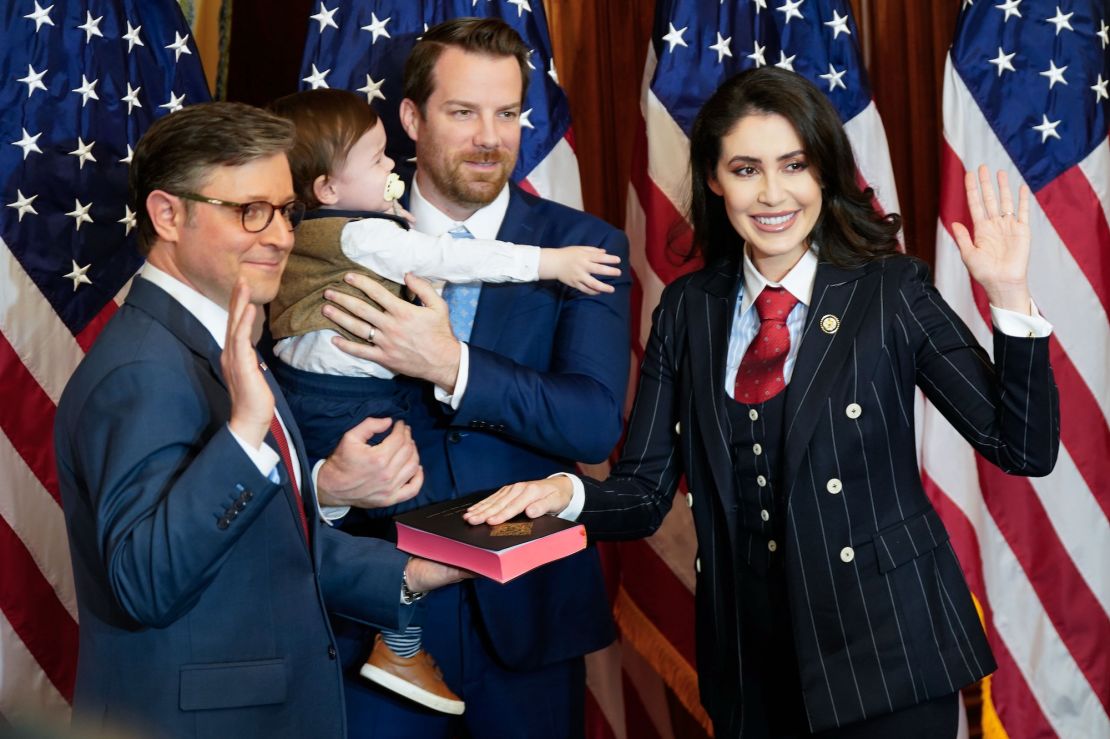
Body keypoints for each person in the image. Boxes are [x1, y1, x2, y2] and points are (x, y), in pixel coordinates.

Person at [464, 67, 1060, 738]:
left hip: (891, 654)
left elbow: (1023, 445)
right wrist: (564, 494)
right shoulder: (688, 311)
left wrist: (1009, 297)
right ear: (715, 181)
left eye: (794, 165)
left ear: (825, 173)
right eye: (746, 169)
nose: (773, 193)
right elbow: (642, 493)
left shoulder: (891, 291)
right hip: (751, 668)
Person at [53, 102, 464, 739]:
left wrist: (410, 573)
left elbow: (260, 542)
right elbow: (144, 581)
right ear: (168, 214)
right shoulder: (141, 370)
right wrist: (245, 432)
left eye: (285, 210)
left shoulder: (227, 336)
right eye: (250, 211)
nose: (280, 236)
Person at [315, 17, 632, 738]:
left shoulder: (582, 247)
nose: (490, 136)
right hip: (370, 627)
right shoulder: (331, 238)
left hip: (527, 625)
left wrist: (452, 365)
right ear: (411, 118)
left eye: (507, 113)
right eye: (463, 112)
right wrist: (326, 489)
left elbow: (591, 422)